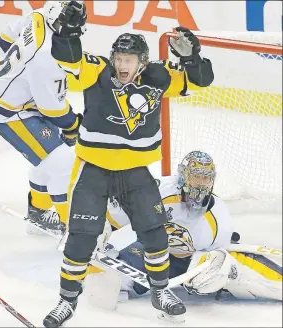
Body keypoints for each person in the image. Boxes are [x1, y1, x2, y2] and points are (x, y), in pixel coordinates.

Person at [43, 28, 214, 327]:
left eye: (130, 59)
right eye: (119, 58)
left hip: (135, 171)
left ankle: (160, 292)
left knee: (156, 234)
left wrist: (192, 58)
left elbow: (200, 81)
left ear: (143, 63)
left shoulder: (159, 77)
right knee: (82, 238)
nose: (122, 65)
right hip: (94, 168)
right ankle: (67, 300)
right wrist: (67, 34)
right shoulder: (97, 70)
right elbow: (67, 58)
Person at [106, 151, 282, 302]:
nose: (201, 183)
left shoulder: (218, 214)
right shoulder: (158, 191)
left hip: (189, 261)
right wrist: (109, 241)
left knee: (220, 271)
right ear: (183, 176)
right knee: (113, 279)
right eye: (196, 176)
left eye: (206, 178)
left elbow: (220, 252)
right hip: (152, 251)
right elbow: (117, 216)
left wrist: (217, 267)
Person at [0, 1, 87, 235]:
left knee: (49, 156)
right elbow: (52, 109)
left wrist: (19, 74)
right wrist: (74, 125)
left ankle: (38, 214)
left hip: (16, 98)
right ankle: (75, 231)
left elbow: (4, 38)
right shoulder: (45, 57)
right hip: (9, 111)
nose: (68, 31)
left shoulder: (38, 15)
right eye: (63, 25)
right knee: (62, 163)